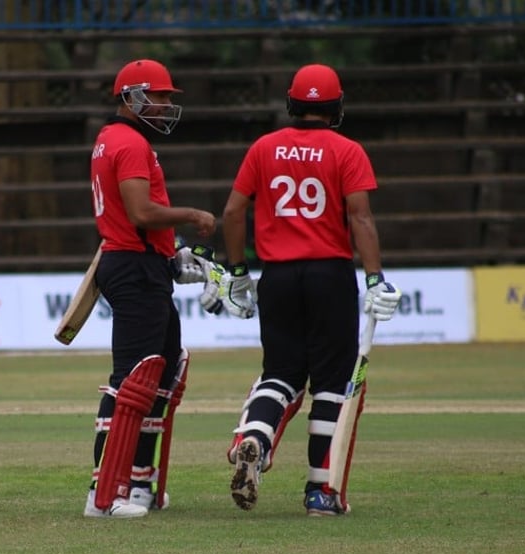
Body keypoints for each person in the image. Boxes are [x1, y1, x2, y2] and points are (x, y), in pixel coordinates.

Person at [218, 63, 402, 516]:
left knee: (279, 374)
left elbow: (232, 212)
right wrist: (375, 276)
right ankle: (322, 492)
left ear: (291, 102)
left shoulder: (264, 147)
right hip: (329, 275)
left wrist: (238, 269)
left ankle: (253, 439)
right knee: (331, 384)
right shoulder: (347, 150)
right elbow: (360, 218)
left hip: (278, 277)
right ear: (336, 106)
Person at [83, 58, 217, 519]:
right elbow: (140, 213)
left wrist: (172, 254)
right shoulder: (129, 142)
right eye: (158, 97)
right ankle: (104, 494)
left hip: (142, 264)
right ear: (131, 97)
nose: (164, 105)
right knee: (132, 379)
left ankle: (138, 483)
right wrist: (193, 216)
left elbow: (132, 219)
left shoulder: (111, 139)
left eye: (166, 99)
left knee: (163, 374)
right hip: (133, 267)